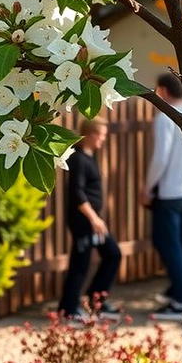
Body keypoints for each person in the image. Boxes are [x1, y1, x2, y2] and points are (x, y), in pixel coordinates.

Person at [141, 73, 182, 321]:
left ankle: (179, 302)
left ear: (162, 90)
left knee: (169, 245)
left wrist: (147, 187)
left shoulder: (165, 118)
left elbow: (160, 158)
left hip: (169, 192)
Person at [58, 117, 121, 320]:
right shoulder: (77, 159)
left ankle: (96, 302)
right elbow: (77, 193)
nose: (103, 140)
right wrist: (94, 219)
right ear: (90, 135)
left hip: (92, 222)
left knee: (112, 255)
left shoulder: (89, 156)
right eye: (101, 135)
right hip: (84, 221)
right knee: (80, 264)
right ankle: (69, 310)